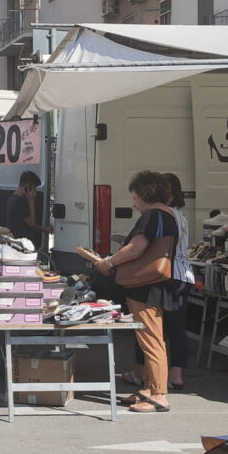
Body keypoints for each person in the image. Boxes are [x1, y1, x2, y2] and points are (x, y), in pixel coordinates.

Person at [94, 171, 182, 413]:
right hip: (154, 284)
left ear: (145, 194)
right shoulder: (168, 215)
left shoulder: (153, 215)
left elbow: (135, 249)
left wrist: (109, 262)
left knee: (152, 341)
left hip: (145, 287)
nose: (133, 202)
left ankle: (158, 395)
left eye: (135, 197)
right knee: (151, 339)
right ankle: (148, 388)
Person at [122, 173, 193, 390]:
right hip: (182, 275)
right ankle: (173, 376)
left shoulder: (161, 216)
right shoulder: (181, 217)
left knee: (151, 334)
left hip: (161, 276)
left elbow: (138, 248)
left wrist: (110, 261)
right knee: (174, 329)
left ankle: (151, 383)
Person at [5, 171, 53, 250]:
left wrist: (44, 229)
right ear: (27, 187)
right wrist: (31, 200)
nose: (35, 191)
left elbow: (27, 223)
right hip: (20, 244)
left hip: (23, 243)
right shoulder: (17, 202)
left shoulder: (17, 199)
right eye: (34, 188)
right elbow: (31, 223)